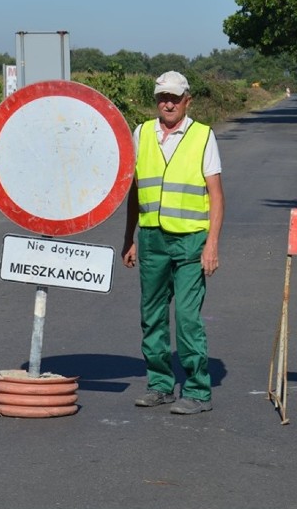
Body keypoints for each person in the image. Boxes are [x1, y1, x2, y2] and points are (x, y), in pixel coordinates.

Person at [122, 71, 225, 415]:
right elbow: (135, 191)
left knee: (187, 316)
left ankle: (197, 390)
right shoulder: (141, 134)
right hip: (151, 239)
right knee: (151, 316)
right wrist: (129, 238)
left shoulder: (203, 136)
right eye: (162, 97)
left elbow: (216, 195)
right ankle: (160, 385)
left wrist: (212, 244)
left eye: (174, 97)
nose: (167, 103)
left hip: (191, 240)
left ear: (187, 101)